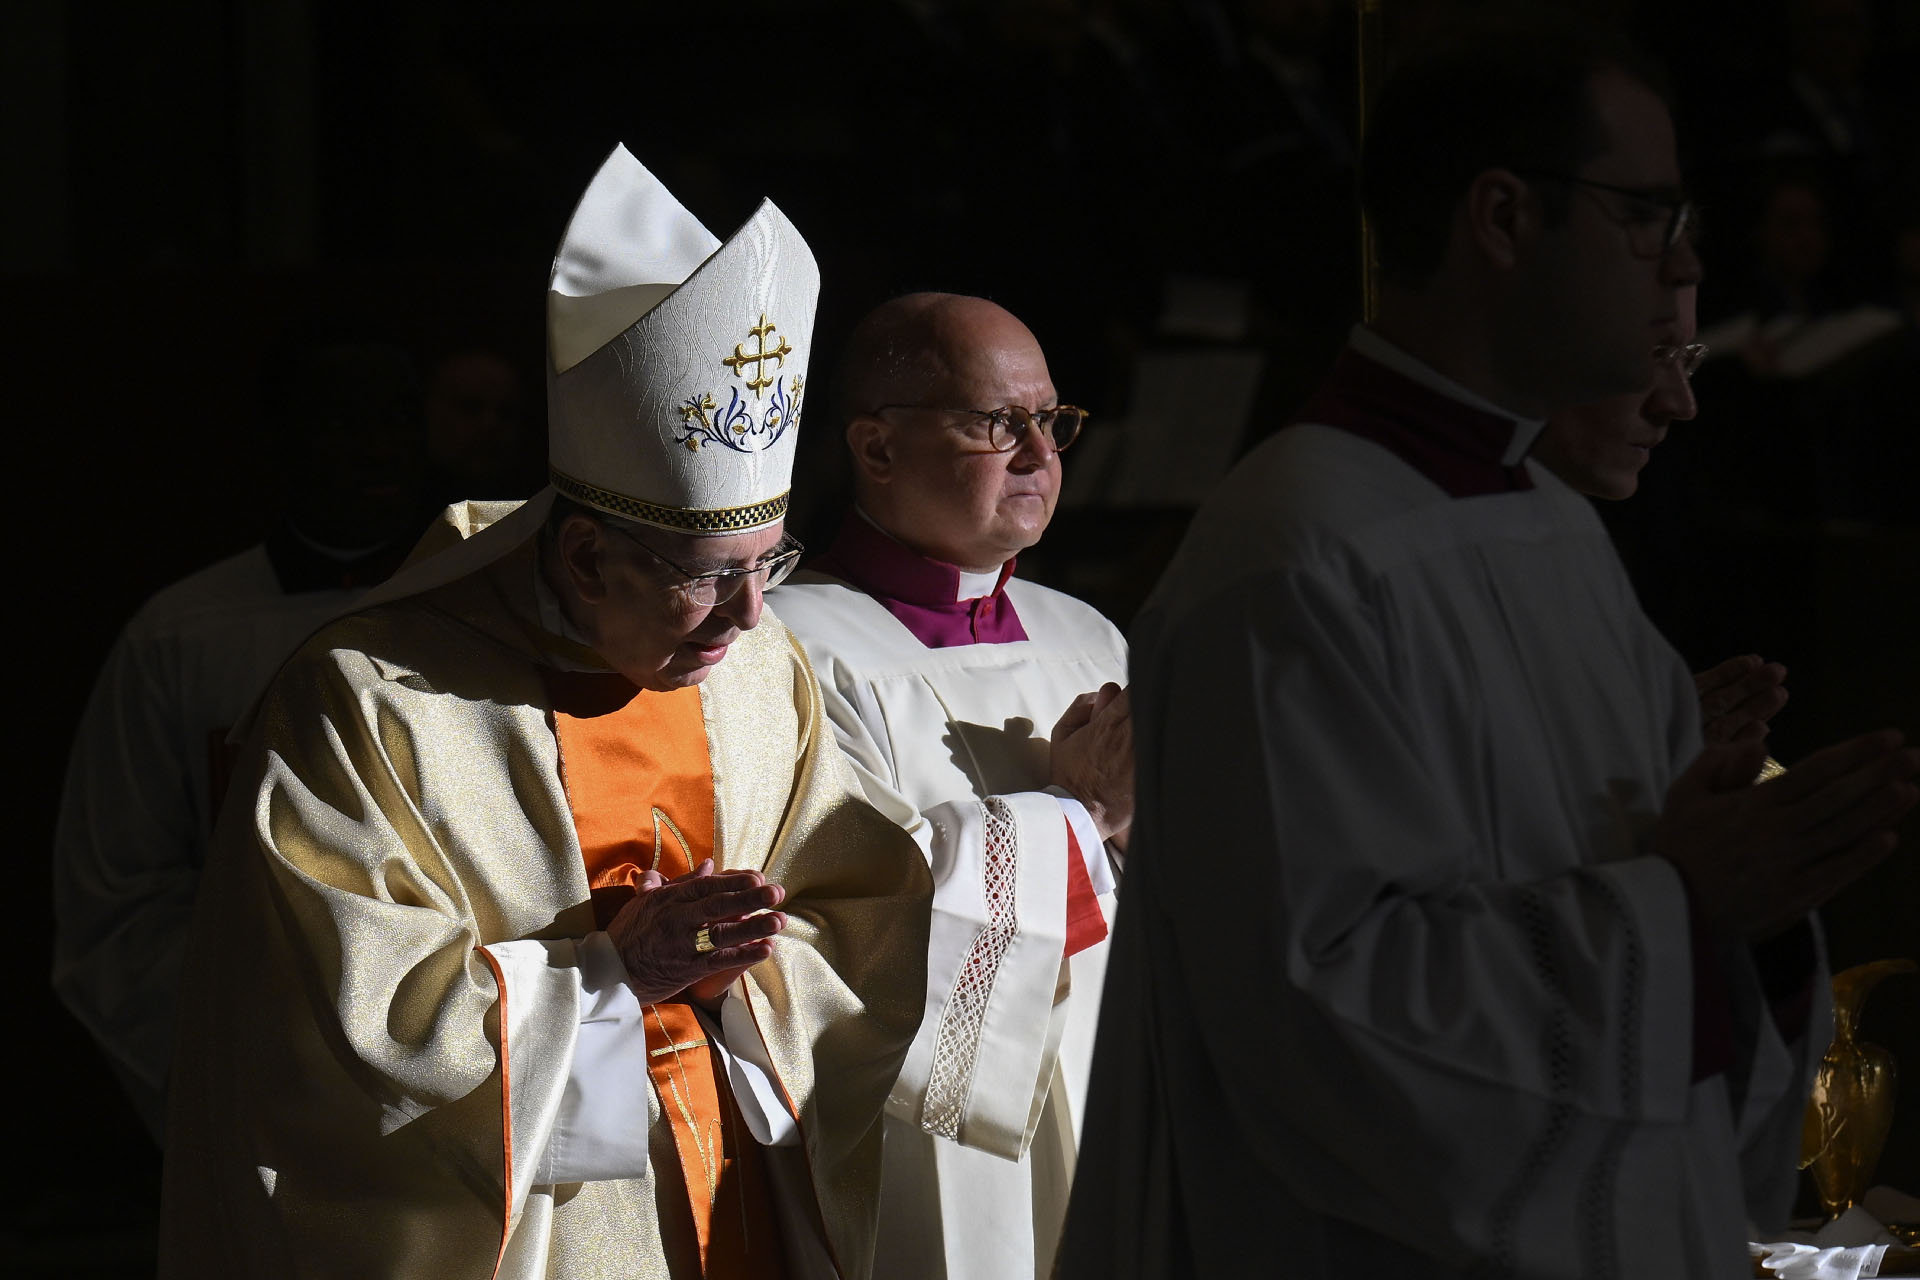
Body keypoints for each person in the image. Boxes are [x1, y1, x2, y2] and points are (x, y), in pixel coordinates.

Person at [1060, 20, 1919, 1280]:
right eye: (1643, 213)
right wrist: (1686, 906)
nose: (1673, 261)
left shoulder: (1551, 523)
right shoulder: (1296, 556)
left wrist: (1752, 910)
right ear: (1504, 217)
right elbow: (1321, 1023)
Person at [158, 146, 931, 1280]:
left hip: (742, 1197)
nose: (751, 612)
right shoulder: (371, 703)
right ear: (583, 552)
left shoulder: (764, 670)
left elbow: (864, 916)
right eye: (709, 571)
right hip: (546, 1230)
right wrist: (609, 976)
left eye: (774, 561)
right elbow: (335, 1036)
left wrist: (752, 973)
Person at [769, 292, 1131, 1279]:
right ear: (876, 449)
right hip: (932, 1132)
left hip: (1108, 1083)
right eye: (995, 422)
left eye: (1051, 420)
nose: (1039, 452)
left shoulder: (1088, 636)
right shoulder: (788, 646)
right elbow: (848, 903)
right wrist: (1085, 816)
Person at [52, 341, 429, 1140]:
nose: (377, 447)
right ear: (283, 438)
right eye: (341, 422)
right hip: (252, 1083)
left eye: (398, 418)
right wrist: (251, 1058)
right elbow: (117, 899)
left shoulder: (485, 617)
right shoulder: (182, 636)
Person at [1536, 284, 1794, 749]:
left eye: (1686, 358)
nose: (1682, 404)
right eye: (1654, 354)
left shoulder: (1576, 537)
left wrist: (1676, 747)